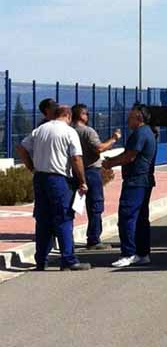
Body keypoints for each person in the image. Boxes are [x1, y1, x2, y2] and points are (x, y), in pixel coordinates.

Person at [16, 105, 91, 271]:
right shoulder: (69, 132)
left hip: (40, 177)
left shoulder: (40, 129)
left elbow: (21, 148)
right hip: (59, 179)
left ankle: (41, 260)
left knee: (43, 220)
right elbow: (76, 158)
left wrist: (31, 167)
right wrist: (82, 181)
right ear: (68, 116)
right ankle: (69, 260)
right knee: (64, 218)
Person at [103, 104, 156, 268]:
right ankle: (142, 253)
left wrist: (109, 163)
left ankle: (128, 253)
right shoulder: (146, 132)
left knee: (127, 217)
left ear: (139, 117)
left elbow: (129, 156)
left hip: (136, 181)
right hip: (142, 181)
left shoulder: (140, 133)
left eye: (130, 116)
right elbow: (128, 153)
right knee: (140, 219)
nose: (127, 120)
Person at [71, 104, 122, 250]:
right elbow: (99, 148)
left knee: (69, 206)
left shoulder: (69, 131)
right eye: (86, 113)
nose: (88, 116)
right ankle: (93, 238)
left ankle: (66, 238)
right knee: (95, 206)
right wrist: (113, 139)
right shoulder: (87, 131)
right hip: (91, 171)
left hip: (73, 171)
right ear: (81, 115)